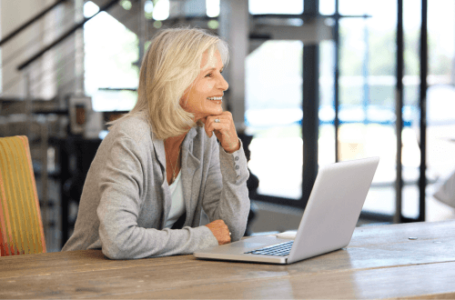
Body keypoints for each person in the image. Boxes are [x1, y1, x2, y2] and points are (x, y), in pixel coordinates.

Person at [62, 28, 250, 259]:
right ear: (175, 82)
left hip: (151, 274)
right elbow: (119, 241)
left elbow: (231, 228)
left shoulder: (204, 135)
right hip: (89, 277)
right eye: (209, 75)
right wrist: (204, 237)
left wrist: (232, 151)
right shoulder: (132, 136)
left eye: (220, 72)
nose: (224, 84)